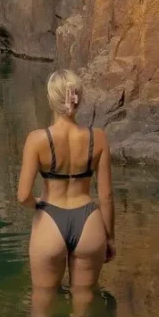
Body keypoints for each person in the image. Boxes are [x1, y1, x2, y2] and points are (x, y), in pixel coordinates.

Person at [17, 70, 115, 291]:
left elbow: (23, 196)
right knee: (86, 306)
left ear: (52, 99)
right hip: (89, 221)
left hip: (50, 220)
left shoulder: (37, 139)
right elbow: (106, 196)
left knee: (43, 310)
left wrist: (39, 204)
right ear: (78, 98)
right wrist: (109, 238)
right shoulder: (98, 137)